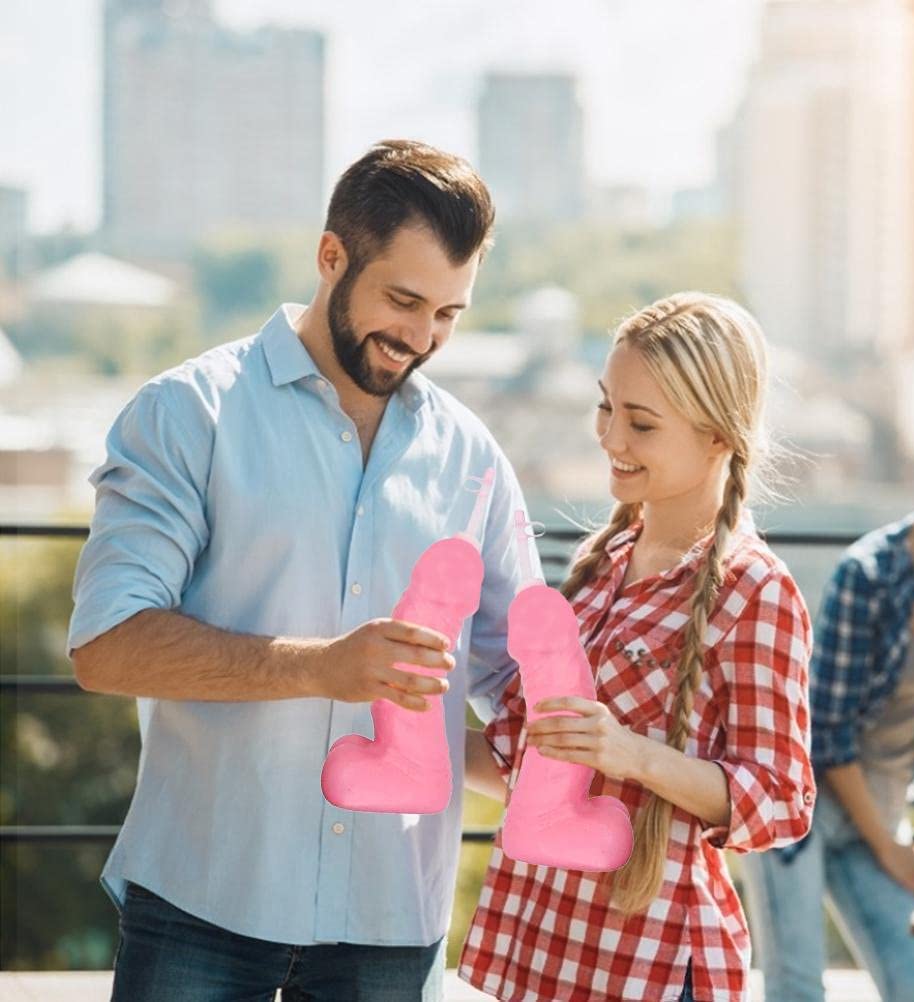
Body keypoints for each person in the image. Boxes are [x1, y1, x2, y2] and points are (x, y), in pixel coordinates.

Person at [68, 139, 537, 1002]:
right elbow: (106, 645)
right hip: (205, 900)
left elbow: (516, 683)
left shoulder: (472, 457)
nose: (422, 337)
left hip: (390, 920)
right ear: (331, 257)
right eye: (404, 300)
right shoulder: (188, 414)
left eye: (449, 313)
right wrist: (322, 667)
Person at [460, 293, 816, 1002]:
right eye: (607, 408)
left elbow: (781, 800)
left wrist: (629, 753)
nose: (611, 439)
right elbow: (520, 761)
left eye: (642, 423)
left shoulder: (756, 590)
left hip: (651, 967)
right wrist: (369, 712)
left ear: (718, 437)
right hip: (548, 947)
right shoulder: (602, 564)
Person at [740, 408, 914, 1002]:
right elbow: (826, 736)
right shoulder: (872, 572)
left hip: (877, 807)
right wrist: (893, 849)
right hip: (797, 804)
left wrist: (886, 835)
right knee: (799, 985)